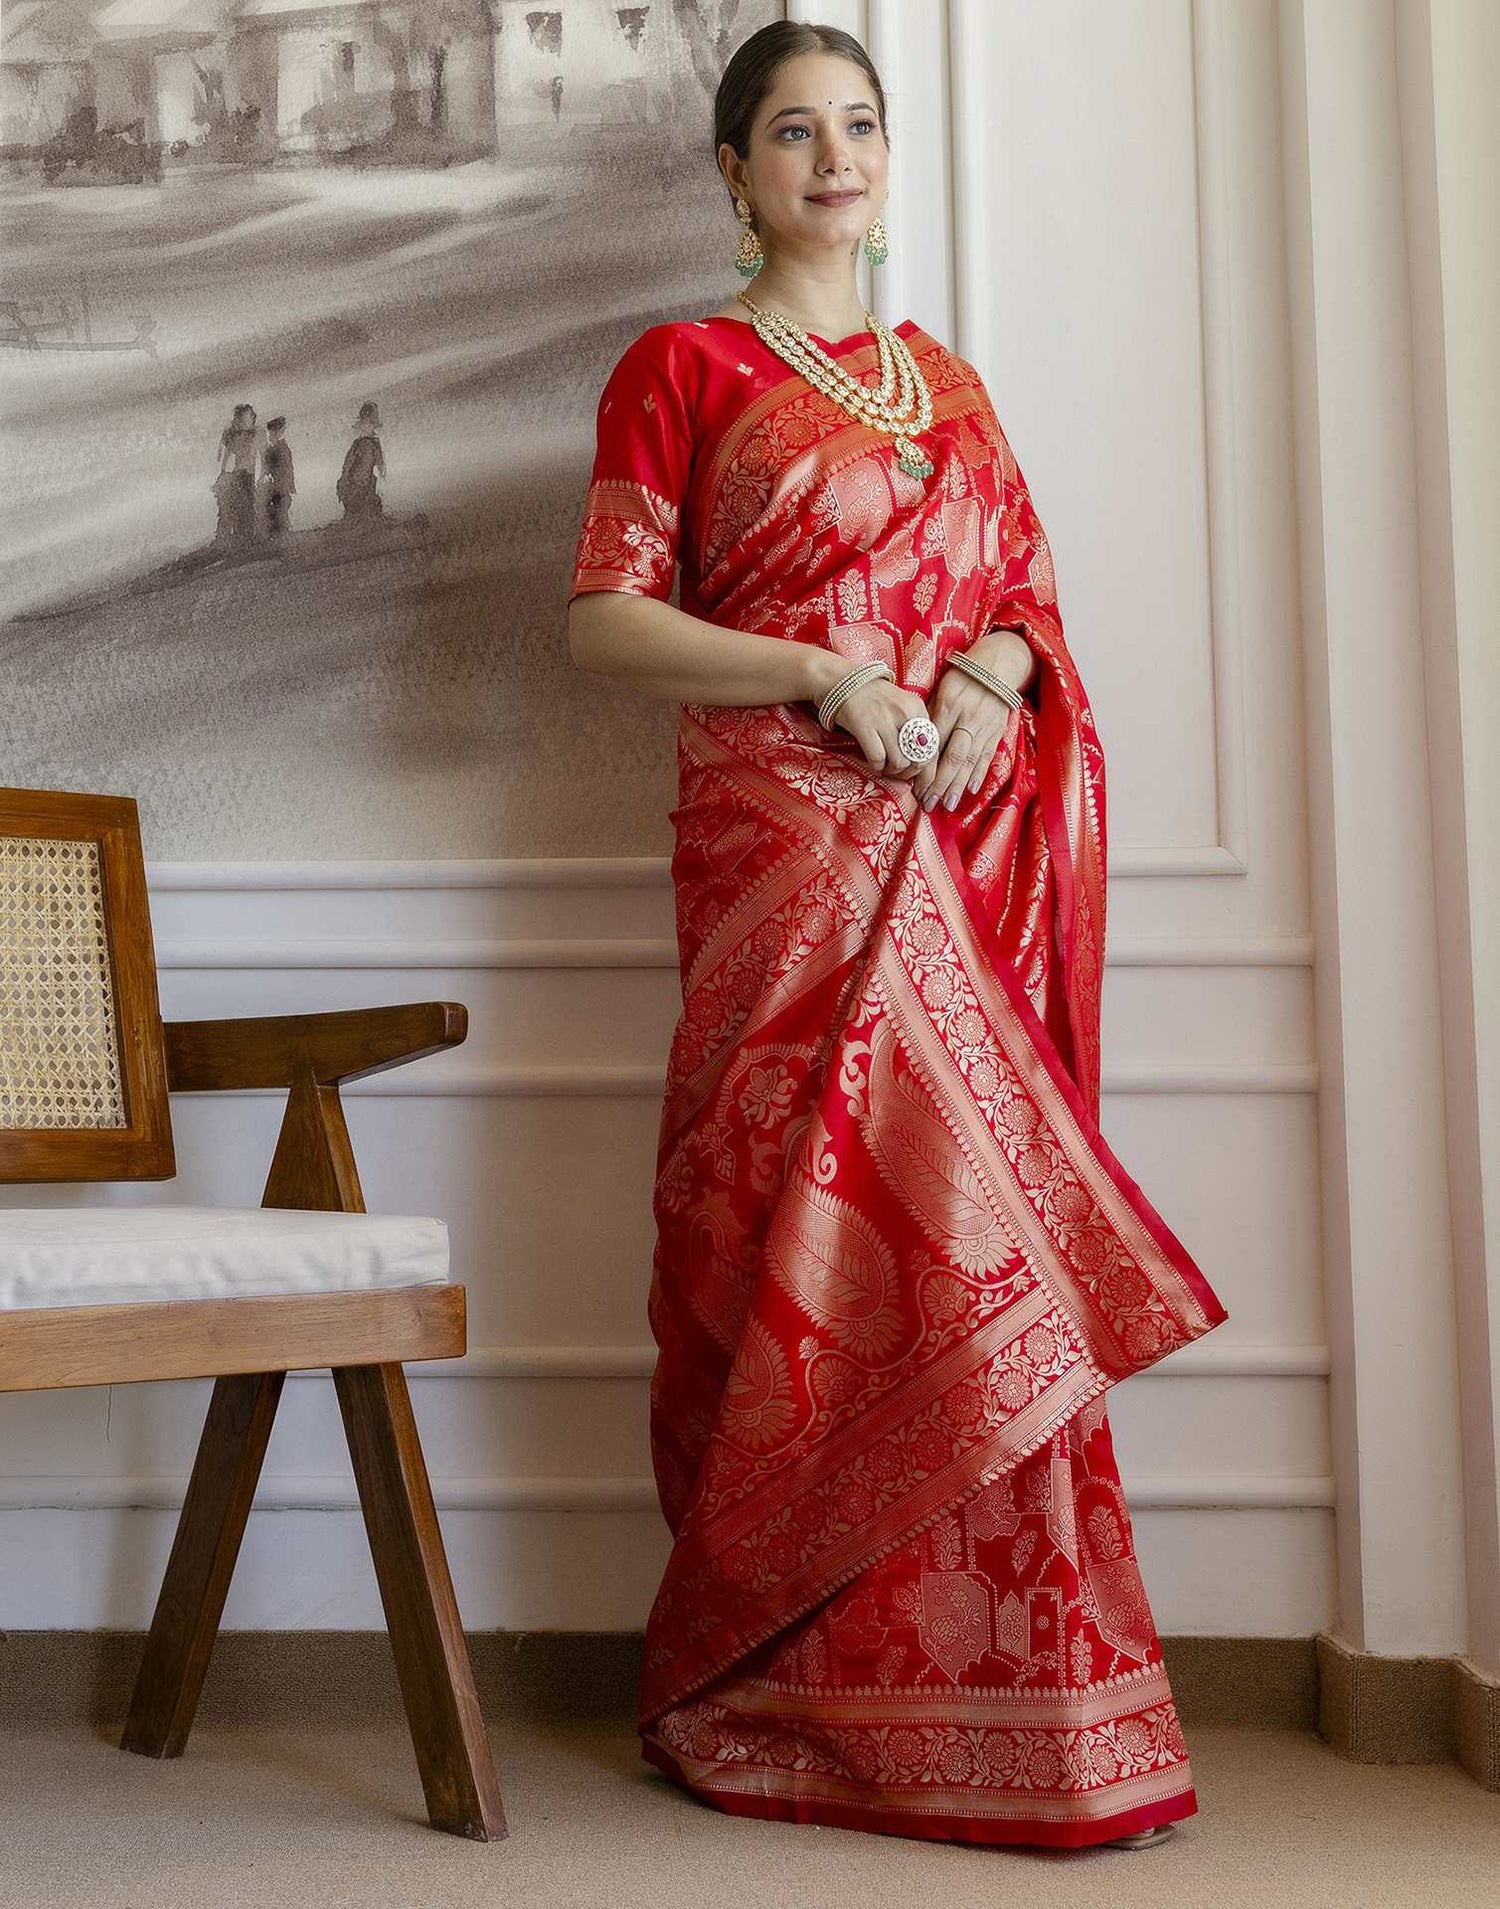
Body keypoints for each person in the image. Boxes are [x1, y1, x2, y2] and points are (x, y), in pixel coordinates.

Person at [567, 20, 1227, 1853]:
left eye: (859, 124)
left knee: (948, 1247)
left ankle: (1010, 1709)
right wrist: (818, 676)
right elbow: (606, 623)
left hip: (949, 859)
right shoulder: (680, 368)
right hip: (781, 863)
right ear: (733, 168)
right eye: (793, 131)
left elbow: (1023, 600)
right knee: (770, 1244)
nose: (834, 157)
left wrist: (985, 685)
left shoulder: (945, 383)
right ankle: (759, 1691)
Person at [212, 403, 260, 550]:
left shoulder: (253, 435)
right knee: (239, 508)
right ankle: (238, 540)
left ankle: (245, 540)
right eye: (247, 417)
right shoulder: (234, 436)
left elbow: (259, 456)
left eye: (251, 417)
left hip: (247, 476)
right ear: (239, 420)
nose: (251, 420)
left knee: (247, 508)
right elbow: (223, 457)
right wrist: (223, 474)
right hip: (239, 476)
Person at [337, 401, 385, 520]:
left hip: (361, 490)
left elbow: (381, 469)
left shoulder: (371, 443)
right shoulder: (361, 444)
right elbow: (348, 468)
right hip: (355, 491)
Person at [260, 416, 295, 537]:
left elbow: (285, 469)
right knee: (277, 512)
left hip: (280, 486)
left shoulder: (281, 449)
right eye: (270, 433)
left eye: (273, 433)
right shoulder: (276, 448)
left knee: (280, 513)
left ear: (280, 432)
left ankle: (281, 535)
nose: (270, 436)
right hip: (278, 486)